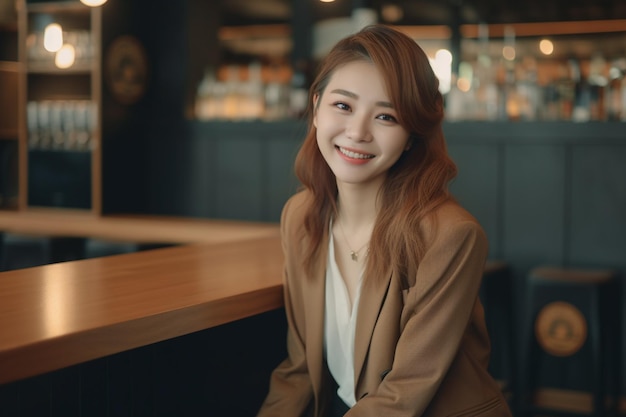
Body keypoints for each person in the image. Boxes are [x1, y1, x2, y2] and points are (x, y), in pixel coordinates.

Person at [257, 24, 512, 417]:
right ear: (316, 107)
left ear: (411, 135)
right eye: (343, 106)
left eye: (387, 117)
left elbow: (403, 396)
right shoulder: (300, 217)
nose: (357, 132)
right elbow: (298, 372)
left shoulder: (450, 236)